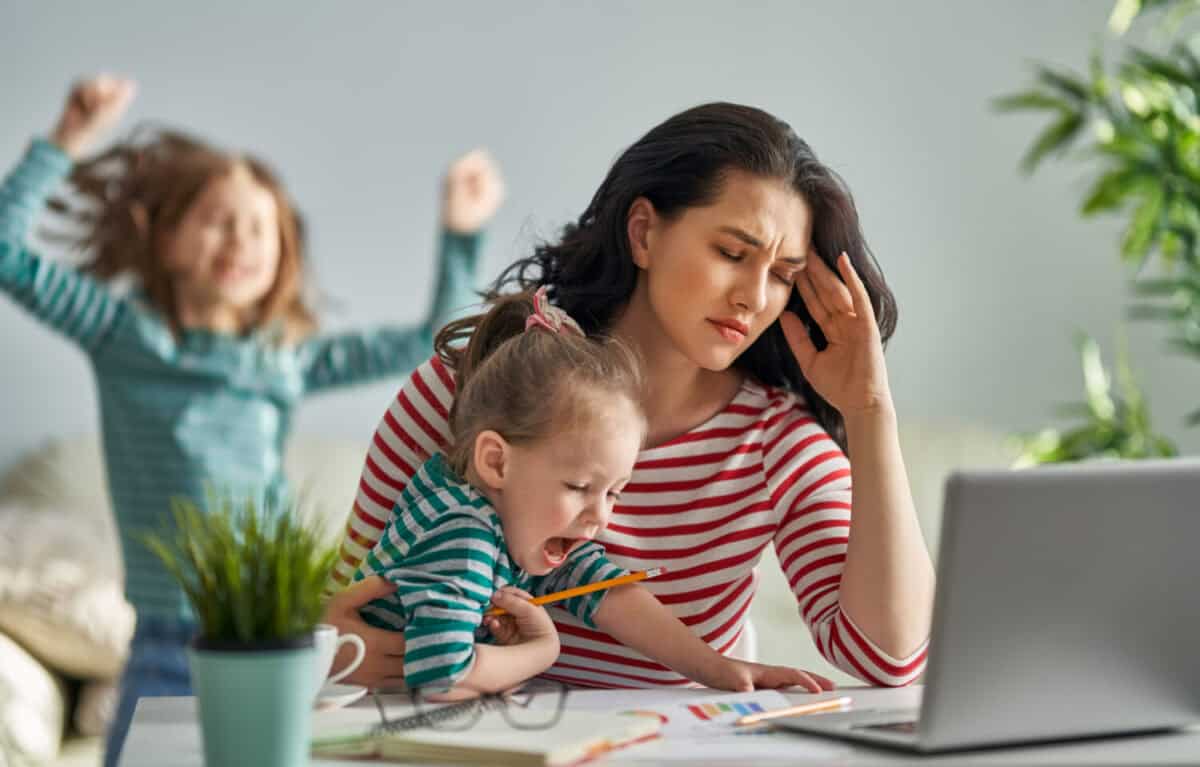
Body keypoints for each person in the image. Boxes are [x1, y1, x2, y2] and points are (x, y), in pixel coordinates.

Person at [324, 101, 935, 691]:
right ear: (643, 233)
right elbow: (338, 603)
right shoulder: (471, 387)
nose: (754, 297)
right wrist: (338, 653)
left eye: (782, 275)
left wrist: (870, 411)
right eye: (731, 253)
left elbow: (888, 659)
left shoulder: (775, 442)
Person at [0, 74, 504, 765]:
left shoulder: (281, 359)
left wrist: (461, 231)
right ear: (166, 234)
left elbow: (430, 339)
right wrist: (68, 140)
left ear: (282, 255)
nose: (241, 238)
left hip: (280, 635)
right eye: (218, 218)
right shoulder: (120, 334)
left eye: (261, 226)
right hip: (167, 641)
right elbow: (7, 252)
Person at [356, 288, 834, 695]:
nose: (601, 518)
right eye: (580, 487)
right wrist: (542, 651)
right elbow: (441, 675)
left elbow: (605, 590)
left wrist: (721, 668)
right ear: (496, 461)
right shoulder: (462, 535)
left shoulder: (507, 515)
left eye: (614, 493)